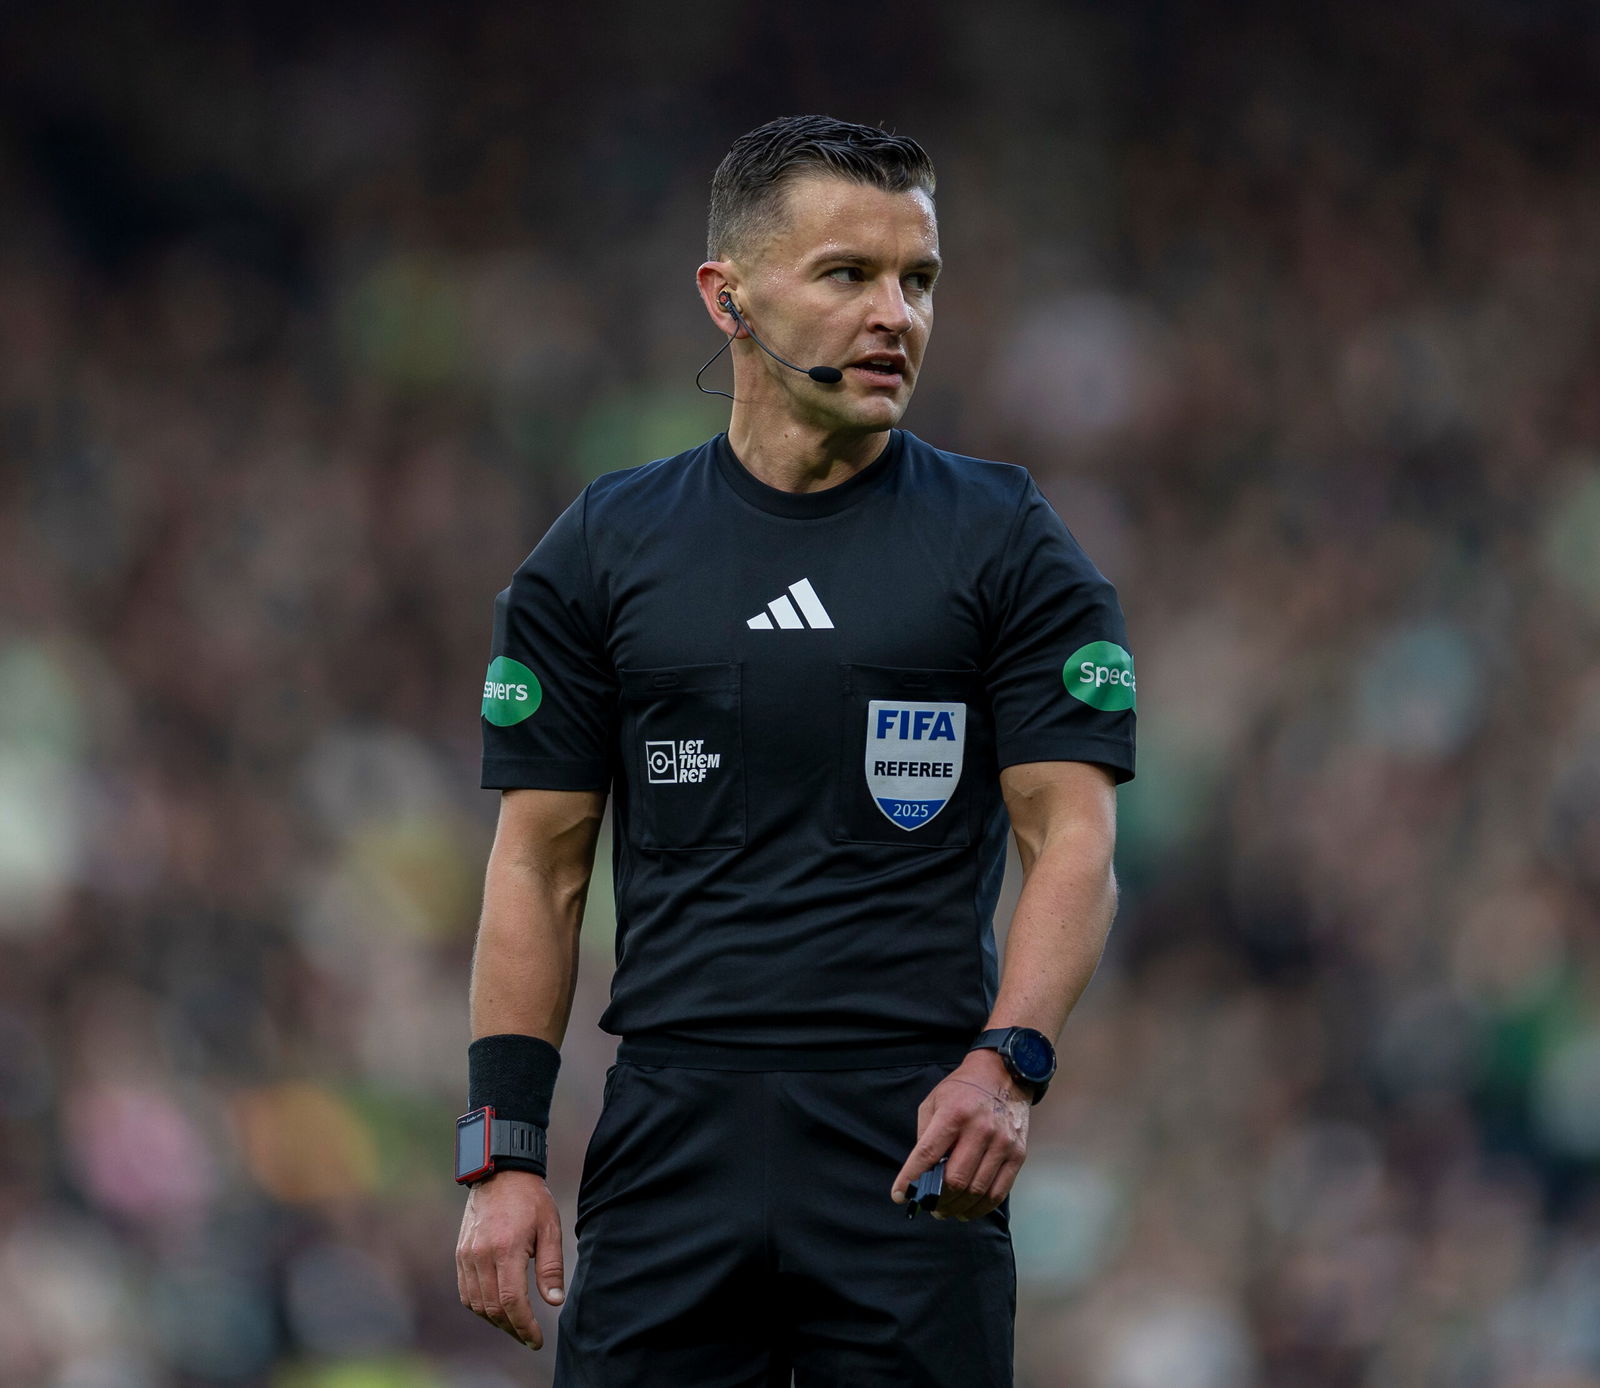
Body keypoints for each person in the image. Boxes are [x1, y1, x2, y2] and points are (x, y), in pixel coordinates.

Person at [454, 114, 1135, 1387]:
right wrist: (503, 1152)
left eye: (917, 279)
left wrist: (1008, 1065)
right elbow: (537, 865)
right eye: (847, 274)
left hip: (912, 1139)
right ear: (728, 296)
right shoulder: (602, 548)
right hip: (670, 1141)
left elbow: (1075, 838)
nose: (894, 315)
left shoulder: (1006, 539)